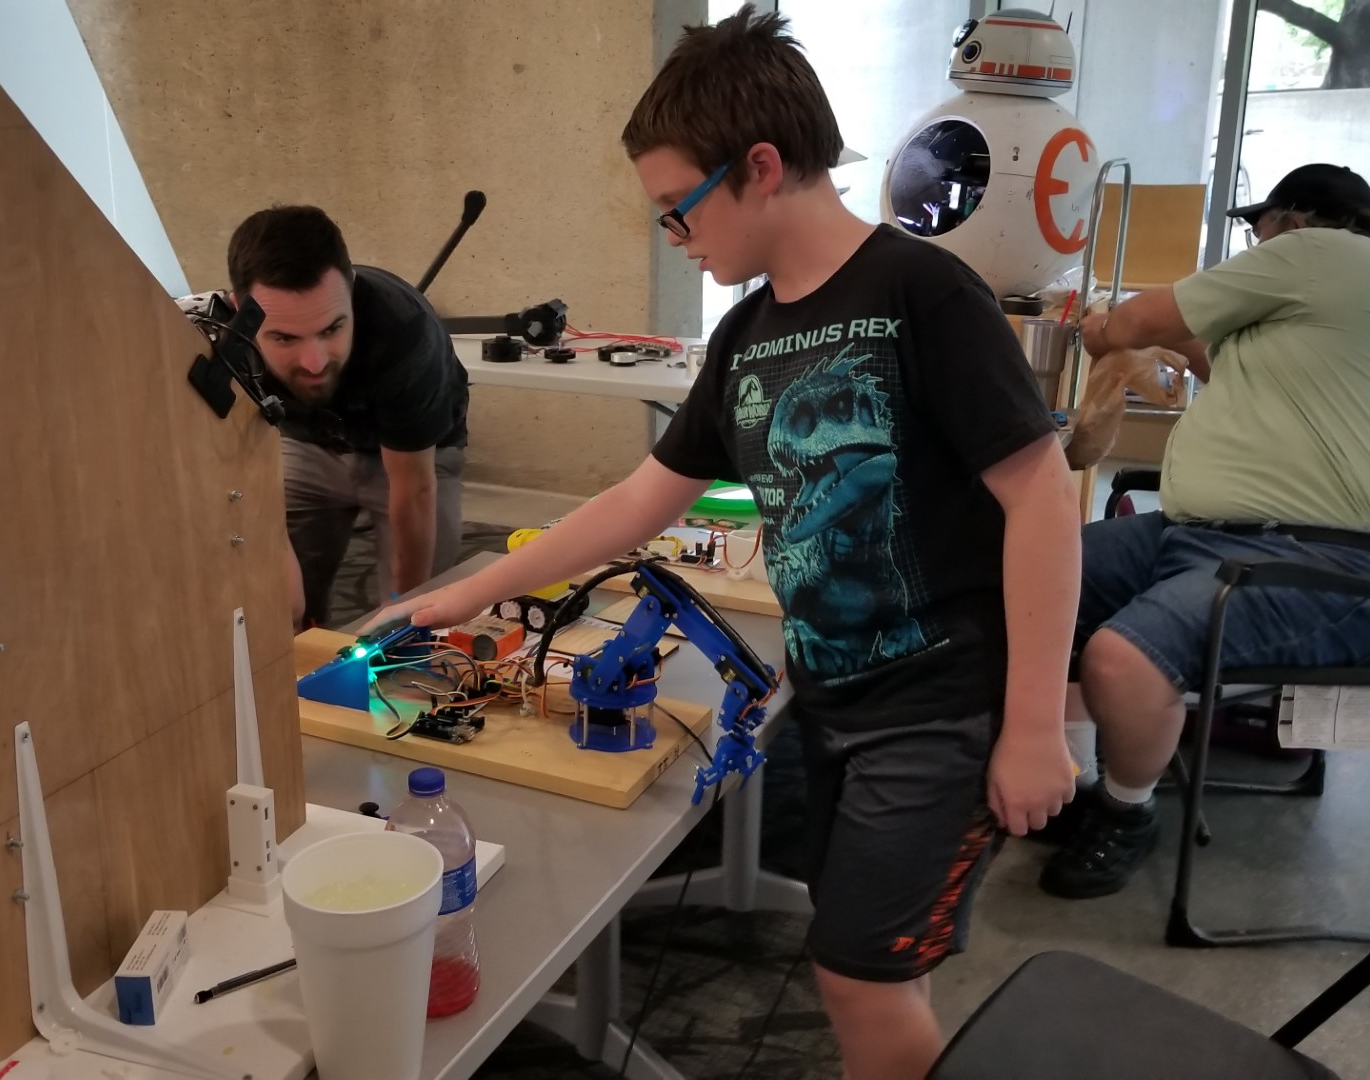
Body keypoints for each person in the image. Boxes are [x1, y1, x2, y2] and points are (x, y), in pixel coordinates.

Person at [373, 10, 1082, 1078]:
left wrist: (1032, 725)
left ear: (759, 166)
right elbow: (640, 500)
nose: (674, 236)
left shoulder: (923, 291)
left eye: (678, 208)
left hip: (941, 708)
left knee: (858, 977)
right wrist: (467, 592)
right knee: (884, 963)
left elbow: (1043, 499)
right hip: (836, 702)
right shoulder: (749, 335)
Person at [1044, 164, 1370, 900]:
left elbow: (1134, 323)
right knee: (1038, 574)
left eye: (1258, 229)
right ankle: (1069, 778)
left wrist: (1104, 329)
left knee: (1124, 659)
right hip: (1210, 536)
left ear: (1295, 221)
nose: (1254, 243)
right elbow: (1220, 361)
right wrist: (1172, 345)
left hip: (1331, 564)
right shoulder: (1361, 303)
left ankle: (1125, 810)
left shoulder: (1323, 252)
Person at [223, 205, 469, 629]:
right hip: (306, 442)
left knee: (425, 609)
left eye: (331, 329)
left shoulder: (406, 330)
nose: (314, 362)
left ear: (351, 290)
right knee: (277, 608)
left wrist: (403, 618)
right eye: (284, 338)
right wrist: (285, 604)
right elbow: (236, 473)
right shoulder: (220, 337)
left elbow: (413, 489)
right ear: (238, 309)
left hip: (417, 458)